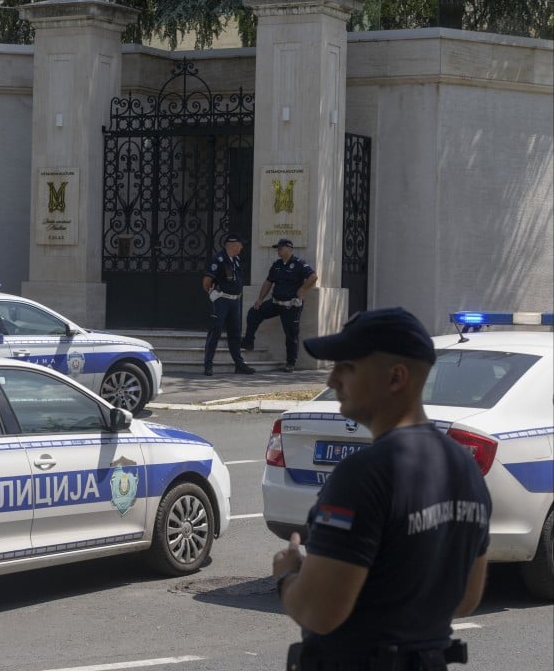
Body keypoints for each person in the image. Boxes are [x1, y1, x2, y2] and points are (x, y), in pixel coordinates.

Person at [272, 308, 490, 671]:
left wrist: (288, 575)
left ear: (396, 378)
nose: (332, 379)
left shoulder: (365, 473)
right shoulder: (464, 466)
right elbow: (466, 598)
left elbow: (319, 612)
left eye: (348, 367)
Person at [242, 237, 317, 372]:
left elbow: (313, 277)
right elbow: (268, 282)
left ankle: (290, 363)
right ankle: (248, 342)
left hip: (291, 306)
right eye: (278, 248)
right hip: (276, 302)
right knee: (254, 312)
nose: (278, 250)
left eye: (280, 248)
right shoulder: (277, 265)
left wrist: (303, 289)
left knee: (291, 334)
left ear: (289, 249)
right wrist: (260, 299)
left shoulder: (299, 263)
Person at [201, 232, 255, 376]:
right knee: (215, 331)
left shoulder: (235, 260)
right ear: (233, 245)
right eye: (240, 245)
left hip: (234, 301)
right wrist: (212, 295)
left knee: (235, 333)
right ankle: (208, 365)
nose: (242, 247)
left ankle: (239, 364)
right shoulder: (218, 260)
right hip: (221, 300)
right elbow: (207, 281)